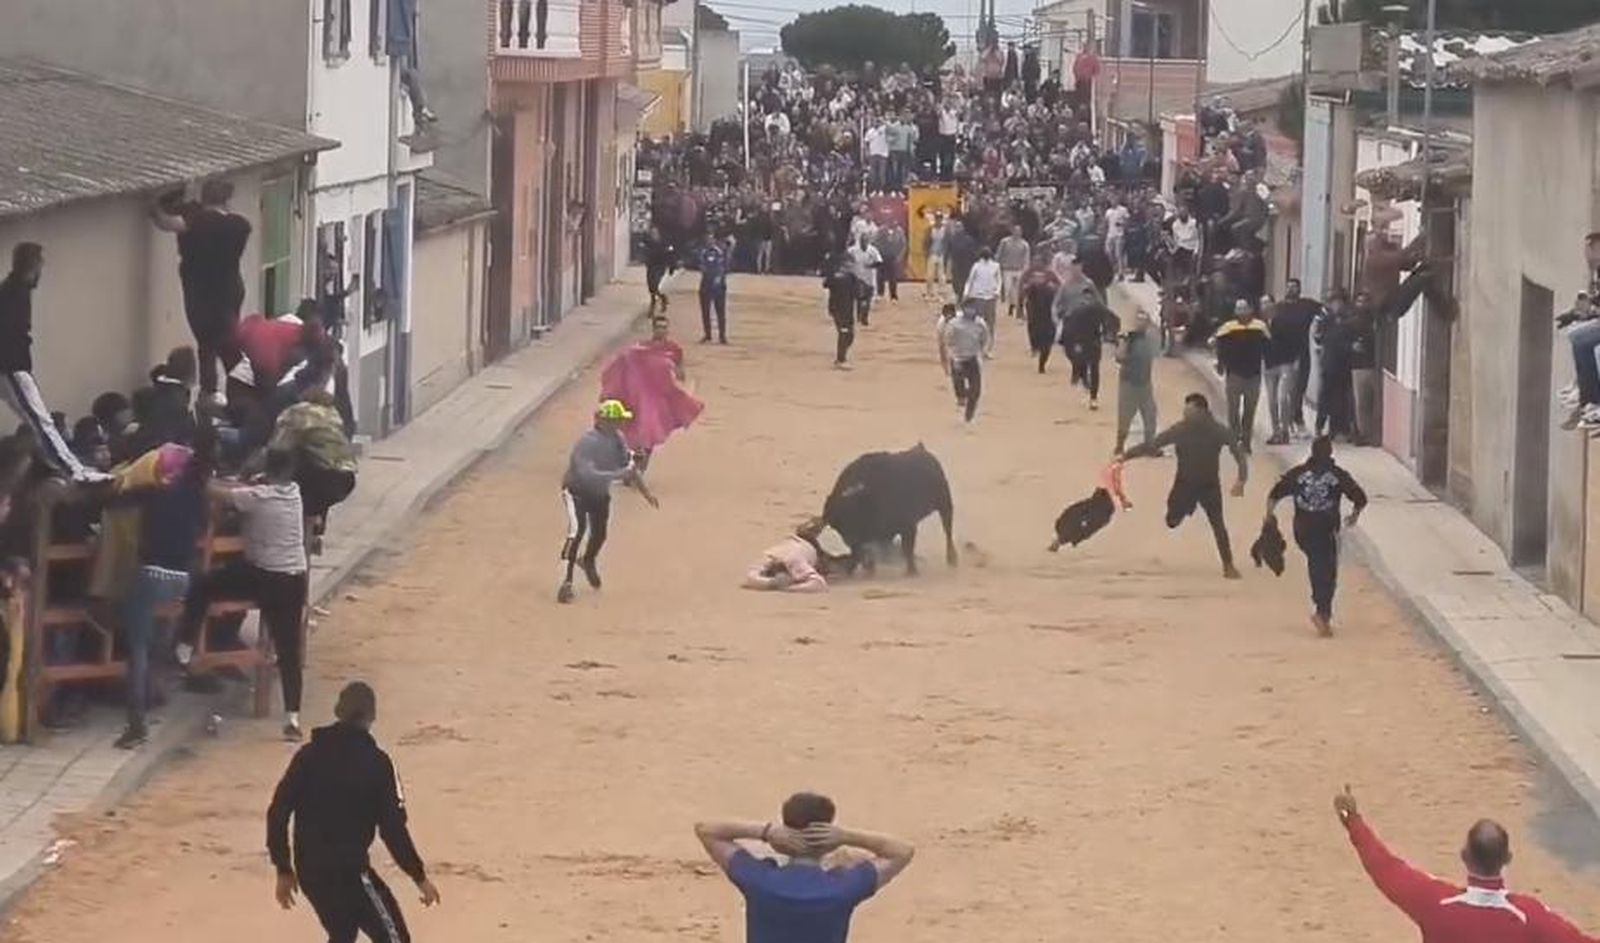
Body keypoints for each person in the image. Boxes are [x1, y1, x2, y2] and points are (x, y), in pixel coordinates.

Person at [268, 681, 442, 942]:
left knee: (342, 934)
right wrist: (418, 876)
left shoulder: (308, 756)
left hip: (310, 872)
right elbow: (393, 830)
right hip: (350, 873)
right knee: (394, 939)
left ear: (339, 712)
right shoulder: (378, 764)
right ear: (372, 716)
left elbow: (278, 812)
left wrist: (283, 867)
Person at [1332, 785, 1600, 943]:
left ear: (1465, 856)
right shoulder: (1530, 916)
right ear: (1507, 859)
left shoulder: (1434, 902)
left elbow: (1385, 868)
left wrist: (1354, 822)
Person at [175, 448, 311, 739]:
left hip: (262, 576)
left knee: (203, 585)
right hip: (294, 579)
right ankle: (293, 720)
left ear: (268, 470)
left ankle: (185, 645)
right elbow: (248, 488)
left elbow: (219, 493)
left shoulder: (256, 498)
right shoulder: (295, 493)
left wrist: (201, 475)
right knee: (289, 650)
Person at [695, 793, 914, 943]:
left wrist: (767, 831)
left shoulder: (759, 881)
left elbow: (707, 830)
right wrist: (847, 836)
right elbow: (902, 850)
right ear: (829, 836)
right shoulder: (843, 888)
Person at [114, 444, 205, 749]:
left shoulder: (153, 493)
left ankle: (136, 724)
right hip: (182, 580)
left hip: (150, 575)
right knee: (157, 643)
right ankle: (157, 692)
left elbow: (117, 498)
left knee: (137, 648)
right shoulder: (196, 498)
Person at [0, 244, 112, 484]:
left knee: (38, 421)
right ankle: (74, 472)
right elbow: (11, 334)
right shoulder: (14, 293)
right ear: (34, 265)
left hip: (12, 366)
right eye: (40, 263)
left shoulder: (13, 290)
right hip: (11, 367)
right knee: (41, 421)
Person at [1121, 393, 1247, 579]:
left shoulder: (1218, 430)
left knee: (1218, 524)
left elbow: (1239, 454)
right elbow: (1153, 444)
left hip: (1209, 486)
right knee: (1171, 521)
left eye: (1189, 410)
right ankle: (1186, 507)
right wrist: (1127, 455)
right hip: (1184, 485)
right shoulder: (1181, 429)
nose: (1185, 414)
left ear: (1202, 411)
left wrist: (1241, 479)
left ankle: (1228, 565)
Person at [149, 181, 252, 399]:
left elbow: (164, 221)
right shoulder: (240, 225)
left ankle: (209, 396)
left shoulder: (196, 221)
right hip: (230, 290)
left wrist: (158, 204)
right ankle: (243, 391)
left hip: (200, 292)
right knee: (228, 343)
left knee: (206, 346)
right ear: (227, 200)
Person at [557, 400, 658, 604]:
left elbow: (628, 467)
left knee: (600, 534)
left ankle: (588, 559)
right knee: (577, 532)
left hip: (599, 494)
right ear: (603, 421)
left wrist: (645, 492)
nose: (620, 425)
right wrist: (616, 475)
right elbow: (587, 474)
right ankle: (566, 581)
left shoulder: (618, 439)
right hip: (576, 492)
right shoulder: (587, 443)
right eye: (616, 421)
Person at [1266, 436, 1367, 636]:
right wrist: (1354, 516)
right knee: (1327, 571)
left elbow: (1274, 494)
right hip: (1326, 529)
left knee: (1317, 564)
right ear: (1330, 453)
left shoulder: (1298, 473)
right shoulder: (1338, 475)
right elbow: (1360, 497)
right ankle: (1322, 612)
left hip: (1302, 530)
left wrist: (1268, 518)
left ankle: (1322, 610)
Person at [1213, 298, 1270, 453]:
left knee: (1249, 411)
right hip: (1234, 375)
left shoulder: (1260, 327)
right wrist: (1220, 364)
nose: (1242, 311)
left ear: (1250, 310)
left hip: (1254, 375)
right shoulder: (1227, 328)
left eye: (1244, 308)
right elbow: (1220, 348)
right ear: (1235, 311)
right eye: (1239, 308)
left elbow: (1268, 347)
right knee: (1233, 410)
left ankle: (1246, 441)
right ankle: (1234, 438)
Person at [1266, 279, 1319, 442]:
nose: (1291, 289)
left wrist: (1319, 334)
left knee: (1298, 390)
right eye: (1288, 286)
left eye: (1294, 287)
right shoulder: (1278, 309)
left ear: (1300, 289)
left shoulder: (1308, 306)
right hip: (1281, 357)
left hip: (1302, 354)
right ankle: (1286, 426)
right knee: (1283, 395)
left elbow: (1324, 314)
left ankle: (1295, 421)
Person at [742, 518, 844, 593]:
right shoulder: (794, 559)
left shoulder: (773, 554)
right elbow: (818, 584)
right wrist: (783, 586)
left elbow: (750, 577)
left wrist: (772, 583)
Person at [1114, 310, 1160, 456]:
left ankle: (1150, 445)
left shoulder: (1150, 339)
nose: (1141, 323)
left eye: (1144, 320)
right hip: (1129, 384)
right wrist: (1123, 342)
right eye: (1139, 320)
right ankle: (1119, 445)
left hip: (1145, 383)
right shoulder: (1129, 339)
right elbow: (1119, 357)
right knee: (1125, 418)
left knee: (1150, 415)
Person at [942, 301, 991, 423]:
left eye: (973, 309)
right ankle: (961, 397)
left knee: (976, 391)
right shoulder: (954, 324)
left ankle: (969, 416)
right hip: (958, 358)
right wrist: (953, 357)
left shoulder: (980, 324)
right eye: (968, 309)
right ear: (962, 309)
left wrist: (981, 351)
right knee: (960, 387)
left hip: (972, 358)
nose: (971, 311)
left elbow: (985, 338)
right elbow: (948, 341)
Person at [1022, 256, 1062, 373]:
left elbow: (1060, 285)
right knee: (1033, 327)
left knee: (1048, 336)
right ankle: (1035, 346)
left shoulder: (1050, 273)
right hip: (1033, 307)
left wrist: (1053, 288)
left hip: (1048, 309)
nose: (1037, 264)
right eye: (1035, 261)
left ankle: (1042, 361)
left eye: (1039, 261)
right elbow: (1022, 286)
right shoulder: (1028, 272)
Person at [962, 248, 1002, 357]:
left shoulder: (994, 266)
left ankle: (985, 349)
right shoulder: (978, 266)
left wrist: (966, 294)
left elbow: (998, 281)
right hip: (981, 297)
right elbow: (970, 280)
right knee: (984, 324)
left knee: (984, 324)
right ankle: (981, 348)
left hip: (985, 297)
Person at [824, 256, 860, 368]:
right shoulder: (837, 277)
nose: (851, 266)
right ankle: (841, 359)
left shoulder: (852, 278)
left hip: (848, 310)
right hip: (838, 309)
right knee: (843, 332)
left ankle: (842, 353)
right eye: (849, 264)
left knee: (850, 335)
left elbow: (857, 294)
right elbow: (826, 284)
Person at [697, 236, 731, 345]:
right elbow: (701, 266)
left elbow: (724, 267)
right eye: (707, 239)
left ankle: (722, 335)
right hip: (706, 284)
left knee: (720, 311)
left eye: (711, 239)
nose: (709, 241)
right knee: (705, 311)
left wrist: (719, 278)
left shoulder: (720, 252)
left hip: (718, 285)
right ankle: (708, 334)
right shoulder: (703, 252)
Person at [846, 232, 882, 327]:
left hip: (869, 279)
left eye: (866, 240)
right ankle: (859, 317)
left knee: (868, 299)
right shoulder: (853, 250)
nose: (864, 242)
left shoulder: (873, 250)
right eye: (862, 240)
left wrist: (870, 265)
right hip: (857, 278)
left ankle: (864, 317)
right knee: (859, 298)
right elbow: (846, 258)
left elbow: (879, 262)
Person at [996, 226, 1031, 319]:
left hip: (1019, 269)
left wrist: (1026, 269)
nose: (1017, 233)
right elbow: (999, 254)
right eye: (1015, 231)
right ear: (1012, 232)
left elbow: (1026, 258)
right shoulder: (1004, 242)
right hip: (1007, 269)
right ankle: (1011, 303)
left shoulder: (1024, 244)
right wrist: (996, 266)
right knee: (1008, 289)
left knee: (1018, 290)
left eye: (1019, 231)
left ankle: (1015, 307)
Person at [643, 225, 677, 313]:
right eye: (652, 233)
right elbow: (645, 250)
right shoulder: (649, 242)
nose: (653, 234)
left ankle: (655, 302)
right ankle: (658, 299)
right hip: (651, 266)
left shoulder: (664, 243)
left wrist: (672, 267)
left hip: (660, 266)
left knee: (656, 284)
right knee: (651, 286)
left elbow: (671, 255)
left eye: (655, 233)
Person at [874, 223, 906, 303]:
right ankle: (880, 294)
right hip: (882, 256)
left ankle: (893, 296)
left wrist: (899, 256)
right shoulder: (881, 230)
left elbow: (903, 244)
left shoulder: (899, 231)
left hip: (893, 257)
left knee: (893, 277)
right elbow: (875, 242)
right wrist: (878, 254)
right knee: (880, 276)